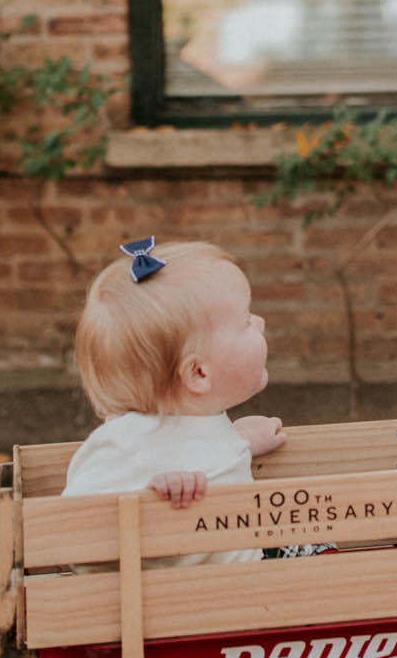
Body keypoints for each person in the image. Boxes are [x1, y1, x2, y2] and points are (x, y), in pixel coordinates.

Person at [65, 238, 288, 563]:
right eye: (245, 321)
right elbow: (65, 535)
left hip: (242, 589)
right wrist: (149, 500)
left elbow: (197, 456)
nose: (261, 322)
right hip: (191, 607)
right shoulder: (129, 444)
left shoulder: (195, 422)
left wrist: (240, 443)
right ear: (198, 374)